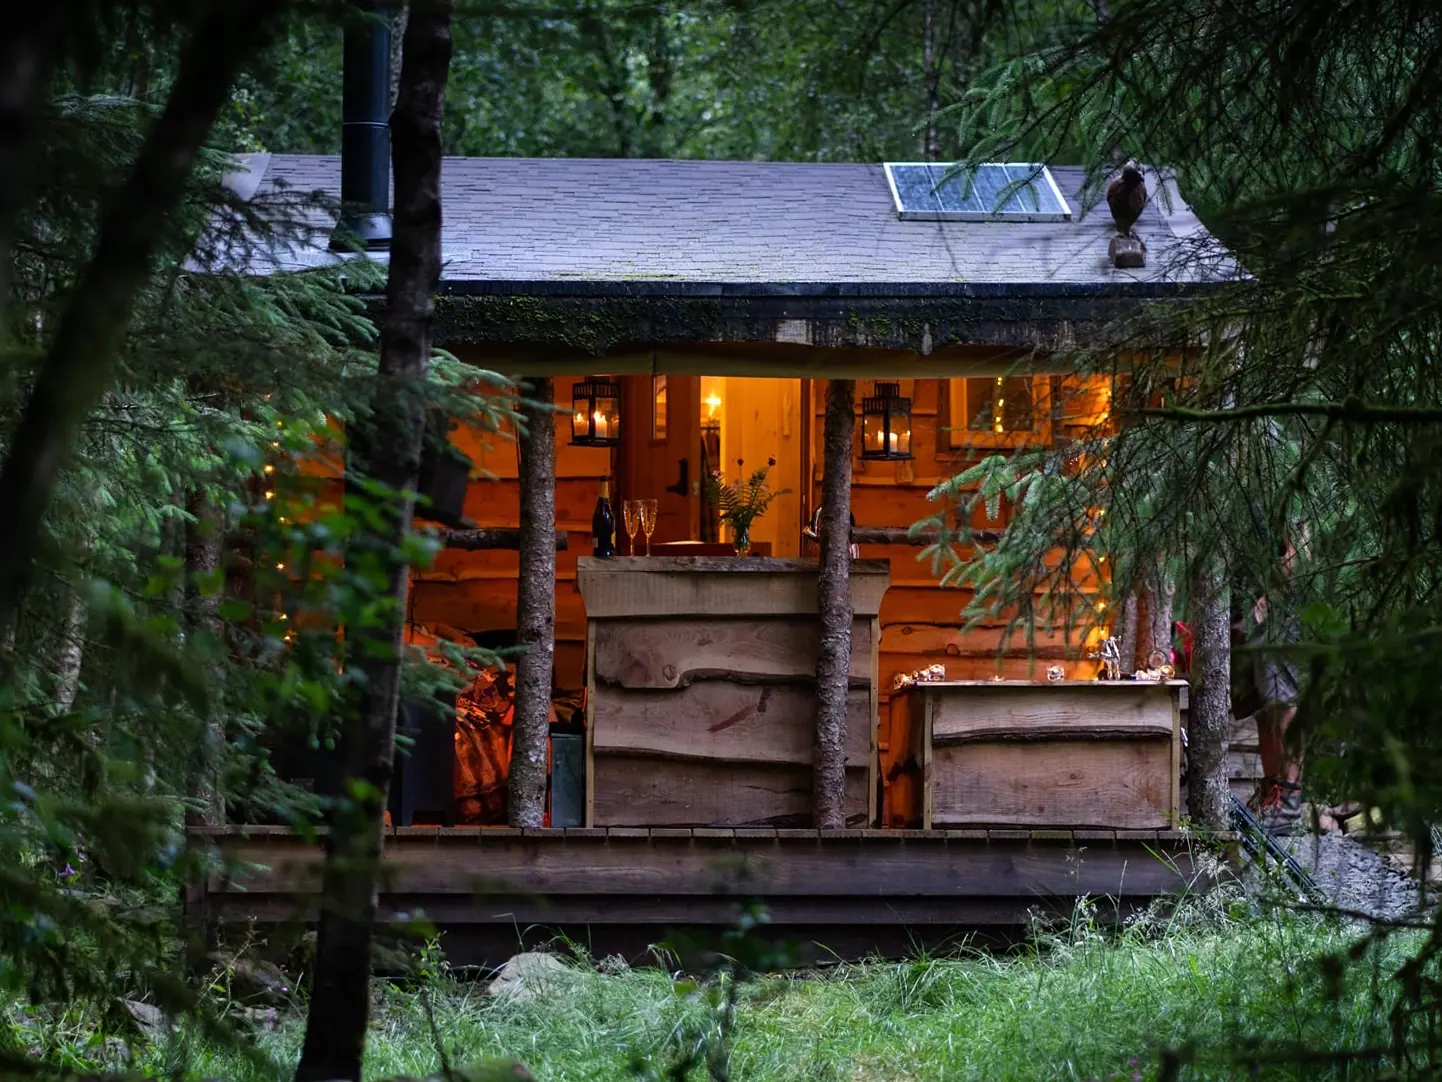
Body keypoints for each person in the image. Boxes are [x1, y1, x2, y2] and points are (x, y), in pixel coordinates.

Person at [1250, 535, 1304, 834]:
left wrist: (1274, 593)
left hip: (1281, 612)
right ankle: (1273, 792)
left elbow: (1300, 544)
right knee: (1264, 708)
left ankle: (1289, 801)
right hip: (1255, 611)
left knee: (1285, 704)